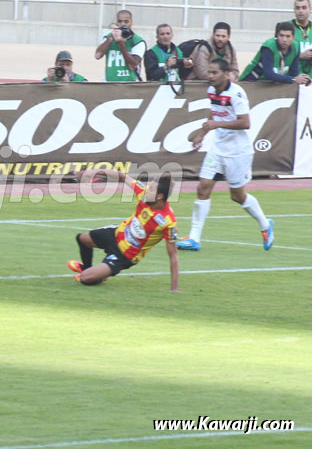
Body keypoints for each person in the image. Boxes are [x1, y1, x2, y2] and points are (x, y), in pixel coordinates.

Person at [177, 59, 275, 252]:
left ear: (226, 73)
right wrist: (202, 133)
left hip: (238, 152)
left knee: (237, 196)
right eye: (210, 72)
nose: (210, 76)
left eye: (214, 73)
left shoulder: (237, 93)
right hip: (218, 149)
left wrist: (217, 125)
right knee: (203, 187)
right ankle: (194, 238)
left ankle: (265, 224)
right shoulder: (213, 90)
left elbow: (245, 123)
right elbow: (215, 114)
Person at [68, 170, 180, 292]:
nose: (147, 190)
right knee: (82, 238)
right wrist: (92, 172)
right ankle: (87, 268)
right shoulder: (144, 193)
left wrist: (174, 288)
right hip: (116, 234)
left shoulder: (168, 222)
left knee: (85, 279)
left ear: (160, 196)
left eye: (151, 189)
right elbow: (122, 176)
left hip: (125, 255)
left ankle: (99, 276)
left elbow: (173, 254)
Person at [239, 22, 311, 85]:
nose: (284, 40)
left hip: (270, 84)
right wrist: (293, 79)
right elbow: (269, 74)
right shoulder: (269, 46)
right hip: (251, 81)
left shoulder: (296, 46)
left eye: (288, 36)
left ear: (293, 37)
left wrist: (302, 78)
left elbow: (294, 73)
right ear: (277, 36)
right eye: (281, 35)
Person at [94, 10, 146, 82]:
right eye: (120, 21)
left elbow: (133, 65)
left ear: (131, 22)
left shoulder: (137, 41)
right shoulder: (108, 37)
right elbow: (97, 55)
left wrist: (121, 45)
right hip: (110, 82)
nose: (123, 24)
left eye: (126, 22)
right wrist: (110, 39)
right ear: (116, 23)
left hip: (130, 83)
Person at [280, 0, 312, 76]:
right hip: (292, 77)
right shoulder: (284, 27)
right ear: (294, 10)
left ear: (310, 9)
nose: (300, 11)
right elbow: (278, 54)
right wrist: (300, 55)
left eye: (304, 8)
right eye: (298, 8)